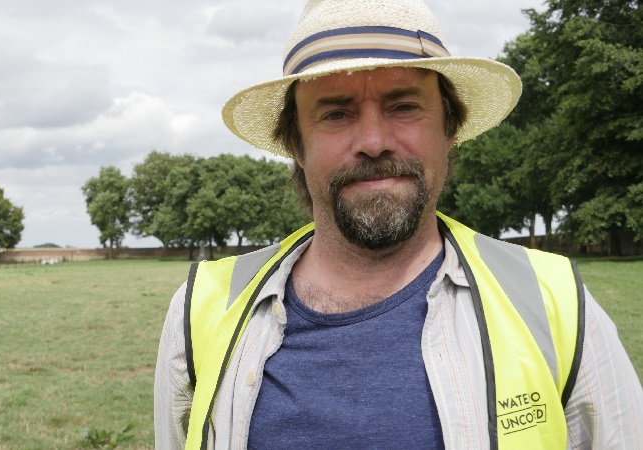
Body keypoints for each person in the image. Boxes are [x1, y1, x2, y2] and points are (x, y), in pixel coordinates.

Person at [154, 0, 643, 448]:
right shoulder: (200, 312)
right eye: (336, 113)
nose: (373, 140)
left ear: (449, 128)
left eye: (404, 106)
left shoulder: (555, 303)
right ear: (297, 146)